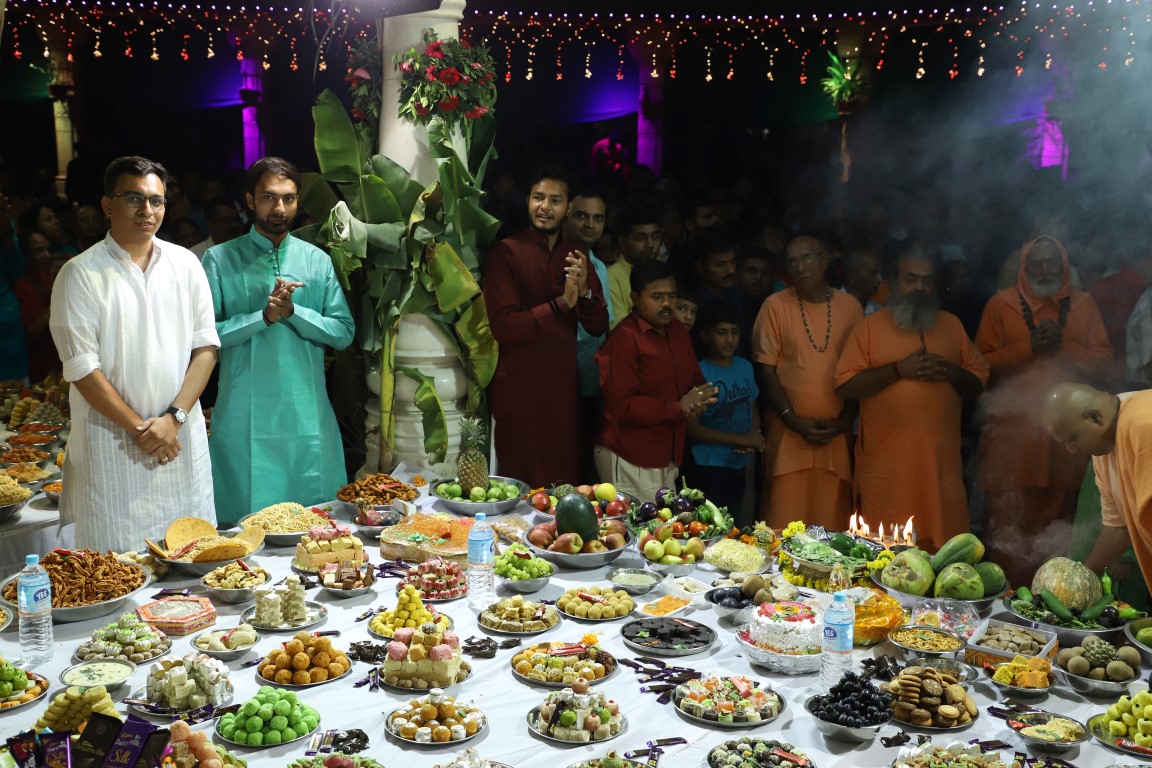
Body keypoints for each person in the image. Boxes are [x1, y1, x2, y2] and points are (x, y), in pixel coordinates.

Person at [49, 156, 219, 551]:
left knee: (192, 558)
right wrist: (144, 431)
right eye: (134, 198)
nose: (147, 210)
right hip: (113, 448)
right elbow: (81, 368)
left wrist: (173, 419)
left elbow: (206, 347)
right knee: (116, 566)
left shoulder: (186, 264)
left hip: (179, 442)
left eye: (157, 201)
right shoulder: (80, 273)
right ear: (107, 205)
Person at [201, 157, 354, 526]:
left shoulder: (317, 260)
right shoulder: (219, 260)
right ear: (250, 200)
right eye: (269, 197)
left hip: (306, 413)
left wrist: (294, 312)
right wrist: (263, 317)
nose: (279, 208)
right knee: (244, 527)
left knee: (316, 529)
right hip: (244, 413)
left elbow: (343, 332)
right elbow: (206, 335)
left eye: (289, 198)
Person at [975, 235, 1113, 587]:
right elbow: (979, 366)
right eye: (1037, 263)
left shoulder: (1083, 305)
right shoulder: (1001, 305)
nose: (1045, 269)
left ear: (1065, 266)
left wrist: (1065, 347)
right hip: (1013, 444)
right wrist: (1028, 347)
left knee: (1062, 530)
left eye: (1052, 262)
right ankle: (1003, 601)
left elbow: (1105, 362)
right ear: (1024, 267)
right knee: (1006, 526)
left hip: (1066, 447)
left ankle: (1053, 601)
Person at [835, 251, 989, 550]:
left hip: (941, 466)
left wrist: (949, 370)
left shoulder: (951, 325)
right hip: (889, 467)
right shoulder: (869, 327)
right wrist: (898, 370)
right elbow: (845, 385)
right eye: (911, 279)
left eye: (927, 281)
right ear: (893, 282)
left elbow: (979, 379)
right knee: (885, 551)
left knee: (944, 553)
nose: (920, 287)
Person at [483, 166, 609, 488]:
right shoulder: (506, 252)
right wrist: (561, 305)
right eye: (538, 197)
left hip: (562, 394)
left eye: (555, 200)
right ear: (527, 200)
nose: (545, 206)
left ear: (568, 208)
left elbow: (598, 326)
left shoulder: (576, 256)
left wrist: (585, 293)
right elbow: (503, 327)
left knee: (561, 486)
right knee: (516, 487)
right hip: (518, 391)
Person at [753, 235, 863, 530]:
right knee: (781, 530)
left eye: (808, 258)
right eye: (793, 261)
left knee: (831, 531)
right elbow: (765, 370)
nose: (800, 267)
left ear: (825, 260)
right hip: (787, 437)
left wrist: (845, 421)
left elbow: (860, 370)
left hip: (834, 437)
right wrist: (792, 420)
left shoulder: (850, 307)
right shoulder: (774, 305)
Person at [595, 260, 716, 501]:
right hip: (630, 454)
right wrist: (679, 408)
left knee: (665, 523)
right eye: (657, 297)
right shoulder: (624, 338)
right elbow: (621, 405)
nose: (667, 304)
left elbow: (695, 379)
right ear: (635, 298)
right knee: (639, 525)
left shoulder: (678, 331)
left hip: (668, 452)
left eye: (672, 296)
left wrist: (699, 401)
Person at [1040, 382, 1152, 597]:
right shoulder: (1104, 449)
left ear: (1095, 418)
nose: (1071, 450)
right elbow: (1118, 527)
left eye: (1073, 438)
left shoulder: (1143, 422)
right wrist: (1077, 583)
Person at [688, 300, 764, 526]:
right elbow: (692, 428)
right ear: (705, 335)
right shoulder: (700, 371)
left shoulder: (745, 366)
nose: (729, 339)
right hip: (708, 464)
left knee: (735, 524)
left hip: (739, 463)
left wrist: (752, 438)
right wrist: (740, 439)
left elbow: (752, 408)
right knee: (708, 527)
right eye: (721, 333)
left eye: (735, 332)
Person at [563, 189, 613, 480]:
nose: (590, 224)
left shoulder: (599, 266)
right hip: (562, 382)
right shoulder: (558, 262)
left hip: (594, 383)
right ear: (567, 215)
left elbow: (606, 326)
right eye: (582, 216)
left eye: (598, 218)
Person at [11, 231, 62, 380]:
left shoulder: (45, 278)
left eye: (48, 249)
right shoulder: (19, 286)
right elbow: (32, 332)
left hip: (54, 357)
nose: (47, 255)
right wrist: (53, 306)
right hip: (33, 362)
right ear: (25, 254)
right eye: (39, 251)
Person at [607, 205, 662, 328]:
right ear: (622, 242)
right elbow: (621, 331)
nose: (650, 244)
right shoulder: (611, 278)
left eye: (655, 237)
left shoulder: (665, 273)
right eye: (641, 238)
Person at [0, 193, 28, 381]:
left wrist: (4, 228)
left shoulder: (5, 221)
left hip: (6, 311)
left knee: (16, 391)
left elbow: (18, 270)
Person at [842, 250, 884, 315]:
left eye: (880, 273)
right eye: (873, 273)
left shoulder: (879, 312)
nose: (880, 279)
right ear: (852, 276)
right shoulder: (830, 307)